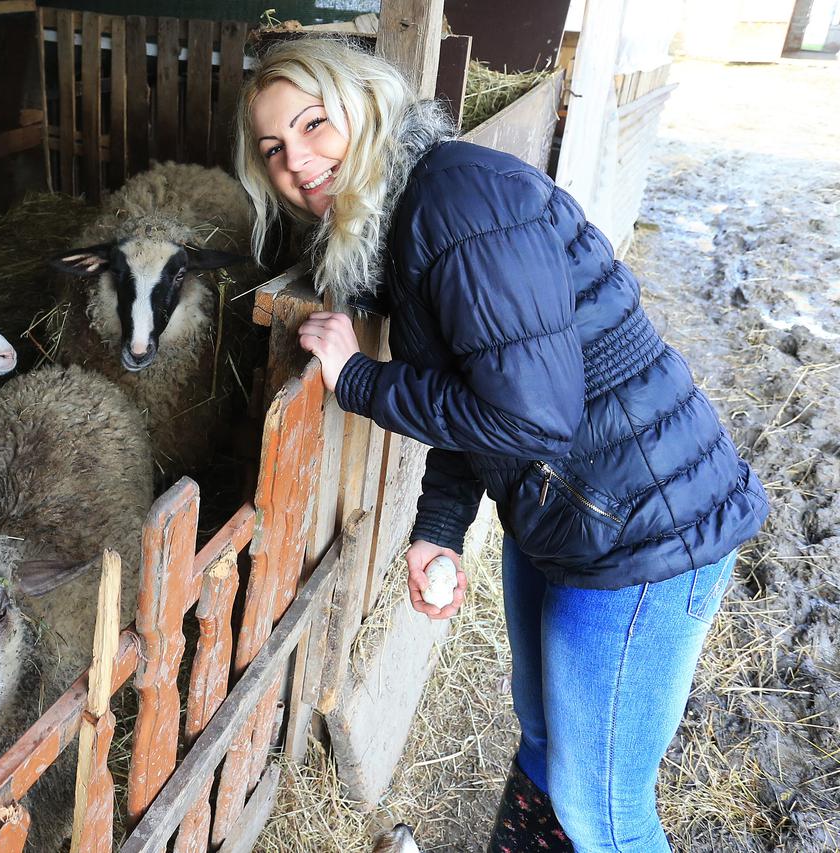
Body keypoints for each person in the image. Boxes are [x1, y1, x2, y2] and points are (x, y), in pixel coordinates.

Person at [234, 38, 768, 852]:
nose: (296, 161)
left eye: (314, 124)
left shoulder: (453, 199)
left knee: (605, 813)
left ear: (369, 108)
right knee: (548, 747)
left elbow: (528, 416)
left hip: (647, 533)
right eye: (273, 149)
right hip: (574, 512)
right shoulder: (404, 217)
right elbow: (473, 396)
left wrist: (359, 381)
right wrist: (439, 527)